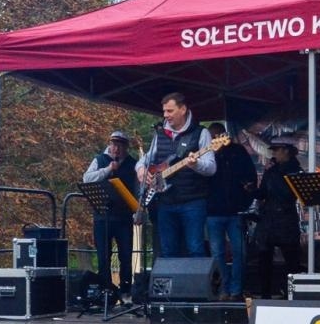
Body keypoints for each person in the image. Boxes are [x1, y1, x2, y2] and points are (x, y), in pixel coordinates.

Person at [136, 91, 217, 258]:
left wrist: (196, 164)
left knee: (195, 248)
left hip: (193, 201)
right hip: (165, 202)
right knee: (167, 251)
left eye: (170, 111)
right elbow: (145, 160)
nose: (166, 115)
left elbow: (211, 168)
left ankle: (196, 284)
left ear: (183, 109)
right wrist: (141, 170)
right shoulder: (159, 134)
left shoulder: (201, 133)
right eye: (164, 111)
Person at [81, 131, 140, 297]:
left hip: (123, 217)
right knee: (103, 256)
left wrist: (139, 211)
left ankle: (125, 291)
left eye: (120, 146)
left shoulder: (132, 164)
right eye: (114, 145)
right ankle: (105, 290)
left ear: (125, 148)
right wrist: (108, 169)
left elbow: (136, 190)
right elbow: (87, 178)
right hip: (103, 216)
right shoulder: (100, 160)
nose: (116, 149)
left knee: (126, 255)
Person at [204, 122, 257, 299]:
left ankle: (236, 289)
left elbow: (250, 176)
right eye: (212, 136)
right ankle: (225, 287)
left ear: (224, 135)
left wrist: (247, 194)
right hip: (213, 212)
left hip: (235, 211)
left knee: (239, 252)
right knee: (217, 253)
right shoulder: (205, 153)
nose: (216, 139)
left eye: (218, 135)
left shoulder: (237, 152)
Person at [253, 139, 305, 297]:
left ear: (286, 151)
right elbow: (262, 193)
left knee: (291, 259)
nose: (274, 153)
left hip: (286, 218)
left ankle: (292, 293)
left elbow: (288, 194)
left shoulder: (295, 171)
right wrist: (249, 189)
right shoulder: (271, 171)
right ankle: (265, 294)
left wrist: (277, 173)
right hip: (268, 219)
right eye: (273, 150)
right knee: (264, 257)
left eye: (277, 150)